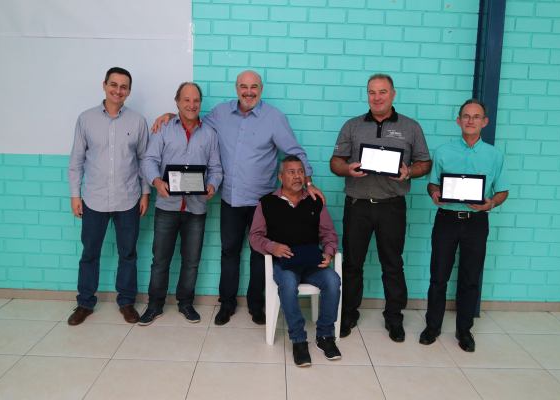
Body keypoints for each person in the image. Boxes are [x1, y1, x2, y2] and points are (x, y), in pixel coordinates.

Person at [152, 70, 322, 326]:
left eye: (254, 87)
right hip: (230, 199)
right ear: (236, 88)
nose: (248, 92)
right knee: (229, 252)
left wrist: (307, 182)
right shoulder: (220, 113)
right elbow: (192, 120)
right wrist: (169, 116)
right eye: (244, 86)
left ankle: (256, 305)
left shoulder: (274, 118)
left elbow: (295, 152)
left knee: (259, 254)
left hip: (261, 202)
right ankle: (227, 304)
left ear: (261, 90)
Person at [330, 73, 431, 341]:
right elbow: (335, 162)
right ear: (367, 95)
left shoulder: (411, 127)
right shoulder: (352, 126)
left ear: (393, 94)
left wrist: (409, 172)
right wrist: (347, 169)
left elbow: (425, 163)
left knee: (393, 264)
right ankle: (348, 314)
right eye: (372, 92)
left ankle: (394, 318)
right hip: (357, 206)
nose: (377, 97)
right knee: (353, 264)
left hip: (392, 207)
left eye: (382, 92)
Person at [419, 99, 508, 352]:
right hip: (446, 220)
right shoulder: (443, 151)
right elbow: (432, 183)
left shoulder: (494, 155)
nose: (470, 120)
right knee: (438, 276)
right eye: (466, 116)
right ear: (458, 121)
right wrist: (434, 193)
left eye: (476, 116)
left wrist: (490, 204)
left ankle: (464, 330)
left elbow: (502, 190)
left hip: (477, 222)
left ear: (484, 122)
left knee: (470, 278)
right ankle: (432, 327)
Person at [67, 67, 149, 325]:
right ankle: (85, 303)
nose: (118, 90)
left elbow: (145, 160)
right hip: (94, 199)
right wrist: (75, 195)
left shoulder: (138, 121)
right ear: (104, 85)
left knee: (128, 254)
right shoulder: (86, 119)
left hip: (128, 199)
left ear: (129, 91)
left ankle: (126, 302)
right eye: (114, 84)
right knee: (90, 253)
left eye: (123, 87)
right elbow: (76, 161)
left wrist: (145, 193)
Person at [138, 82, 222, 325]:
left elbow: (216, 168)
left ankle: (186, 303)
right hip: (167, 207)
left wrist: (212, 185)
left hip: (196, 208)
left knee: (191, 262)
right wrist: (156, 181)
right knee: (160, 260)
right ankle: (154, 305)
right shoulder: (163, 128)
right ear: (177, 102)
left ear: (200, 103)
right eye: (186, 100)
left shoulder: (210, 134)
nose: (191, 105)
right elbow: (149, 160)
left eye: (196, 100)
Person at [249, 155, 341, 367]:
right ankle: (299, 340)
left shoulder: (315, 201)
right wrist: (273, 247)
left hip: (312, 263)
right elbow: (254, 237)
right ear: (281, 177)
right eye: (291, 172)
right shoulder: (267, 203)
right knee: (288, 284)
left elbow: (329, 233)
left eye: (300, 172)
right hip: (285, 264)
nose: (297, 176)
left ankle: (325, 335)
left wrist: (328, 253)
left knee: (333, 280)